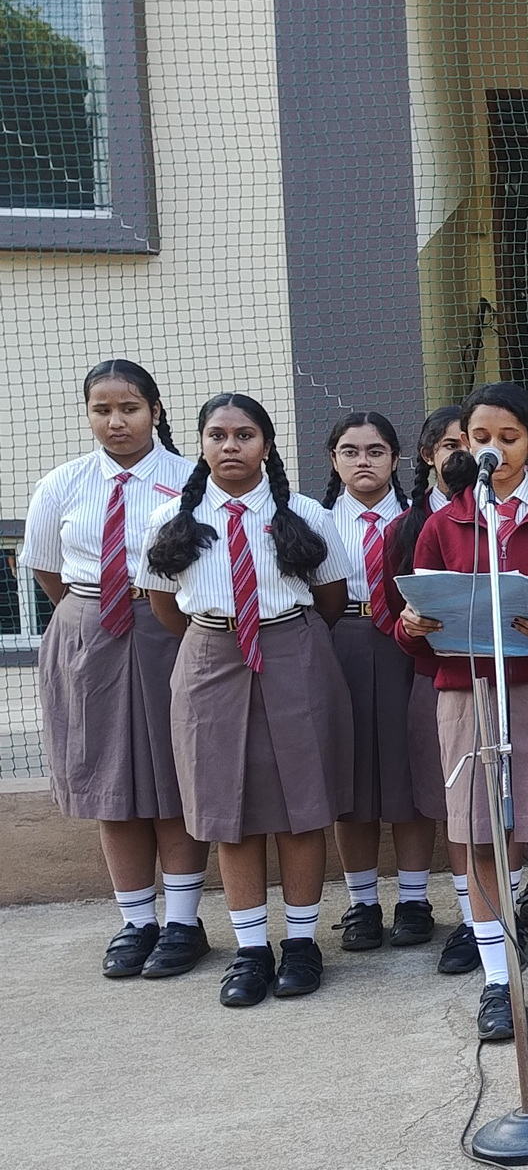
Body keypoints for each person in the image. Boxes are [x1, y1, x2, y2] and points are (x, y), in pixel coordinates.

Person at [396, 382, 528, 1040]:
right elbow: (414, 628)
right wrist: (411, 624)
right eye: (480, 438)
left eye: (509, 438)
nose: (494, 450)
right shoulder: (445, 523)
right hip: (472, 693)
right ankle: (497, 981)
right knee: (483, 835)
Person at [139, 394, 354, 1007]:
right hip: (211, 655)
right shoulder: (171, 519)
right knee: (226, 807)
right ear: (201, 444)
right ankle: (251, 949)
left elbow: (332, 597)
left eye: (244, 435)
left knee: (301, 805)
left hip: (293, 652)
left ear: (267, 444)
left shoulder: (306, 513)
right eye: (217, 435)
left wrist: (282, 640)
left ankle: (302, 943)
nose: (230, 446)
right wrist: (220, 636)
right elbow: (162, 604)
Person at [20, 359, 210, 979]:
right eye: (102, 410)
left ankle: (182, 923)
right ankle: (136, 922)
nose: (116, 421)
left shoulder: (192, 481)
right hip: (89, 633)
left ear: (155, 411)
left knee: (174, 777)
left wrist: (145, 607)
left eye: (128, 408)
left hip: (169, 629)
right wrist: (95, 611)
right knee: (113, 781)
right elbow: (46, 567)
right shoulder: (63, 483)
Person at [321, 412, 447, 952]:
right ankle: (363, 903)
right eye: (350, 452)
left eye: (375, 451)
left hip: (409, 645)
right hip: (342, 637)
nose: (363, 462)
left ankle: (414, 900)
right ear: (333, 460)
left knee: (409, 768)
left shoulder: (421, 518)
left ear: (397, 459)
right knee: (352, 775)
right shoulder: (316, 519)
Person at [384, 405, 484, 974]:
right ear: (428, 456)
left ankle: (507, 905)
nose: (462, 454)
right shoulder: (408, 527)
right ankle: (471, 920)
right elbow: (396, 608)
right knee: (456, 803)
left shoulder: (505, 518)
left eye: (471, 442)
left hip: (506, 675)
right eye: (450, 445)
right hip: (438, 677)